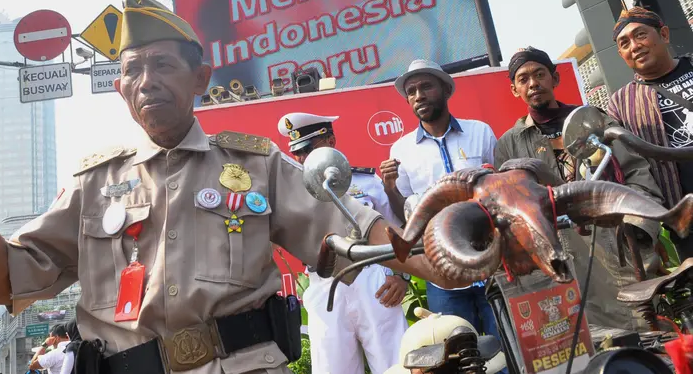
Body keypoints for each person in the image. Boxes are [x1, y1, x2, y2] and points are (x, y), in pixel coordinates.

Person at [0, 0, 453, 374]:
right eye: (131, 70)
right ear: (120, 88)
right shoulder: (92, 183)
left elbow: (358, 236)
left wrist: (451, 257)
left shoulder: (256, 165)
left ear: (200, 79)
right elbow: (7, 283)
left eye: (161, 64)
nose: (145, 81)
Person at [495, 46, 665, 331]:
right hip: (558, 264)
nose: (533, 83)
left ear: (555, 79)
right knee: (582, 347)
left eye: (539, 74)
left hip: (615, 250)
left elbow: (637, 174)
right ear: (515, 90)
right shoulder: (509, 145)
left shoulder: (594, 121)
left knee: (642, 334)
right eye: (523, 79)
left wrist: (638, 230)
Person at [378, 59, 501, 343]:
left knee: (507, 347)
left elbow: (500, 189)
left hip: (490, 264)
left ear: (446, 89)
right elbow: (406, 213)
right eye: (411, 91)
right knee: (457, 357)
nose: (418, 95)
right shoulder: (401, 150)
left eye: (425, 87)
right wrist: (389, 188)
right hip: (442, 274)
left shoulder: (480, 132)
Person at [276, 112, 409, 374]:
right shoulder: (292, 193)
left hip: (372, 279)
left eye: (308, 149)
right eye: (297, 153)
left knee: (396, 364)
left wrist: (401, 276)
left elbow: (397, 233)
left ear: (331, 141)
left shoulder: (366, 182)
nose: (302, 159)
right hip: (323, 284)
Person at [608, 6, 693, 259]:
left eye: (641, 35)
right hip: (684, 220)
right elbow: (629, 170)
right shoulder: (620, 103)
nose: (634, 46)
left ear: (664, 35)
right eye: (625, 43)